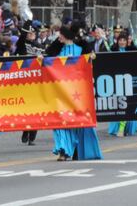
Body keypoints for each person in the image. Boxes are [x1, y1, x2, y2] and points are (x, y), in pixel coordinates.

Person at [46, 25, 103, 161]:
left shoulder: (80, 50)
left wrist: (90, 57)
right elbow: (49, 63)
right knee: (60, 121)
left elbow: (88, 64)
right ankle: (63, 150)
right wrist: (43, 60)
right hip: (59, 92)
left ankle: (77, 149)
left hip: (76, 92)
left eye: (60, 35)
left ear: (65, 35)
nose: (58, 37)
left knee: (77, 121)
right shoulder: (57, 51)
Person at [15, 20, 44, 145]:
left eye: (33, 33)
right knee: (26, 109)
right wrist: (26, 29)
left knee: (36, 110)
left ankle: (32, 136)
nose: (31, 35)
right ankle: (25, 130)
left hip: (37, 82)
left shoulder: (39, 46)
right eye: (29, 33)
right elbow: (21, 40)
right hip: (25, 81)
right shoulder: (22, 44)